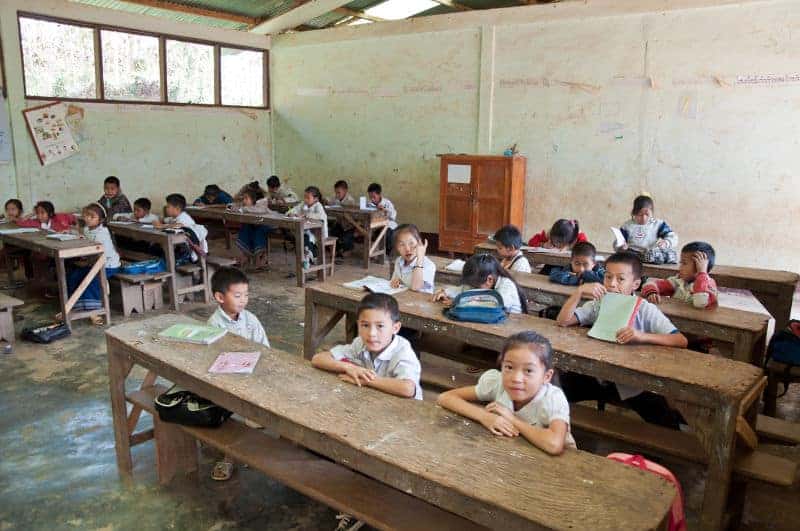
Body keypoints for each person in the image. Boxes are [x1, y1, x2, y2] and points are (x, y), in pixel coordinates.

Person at [311, 292, 421, 531]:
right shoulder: (360, 344)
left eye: (380, 326)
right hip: (371, 413)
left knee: (380, 465)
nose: (372, 333)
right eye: (365, 325)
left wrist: (366, 379)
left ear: (396, 327)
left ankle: (366, 506)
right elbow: (318, 359)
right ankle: (355, 501)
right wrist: (348, 368)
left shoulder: (403, 351)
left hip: (404, 422)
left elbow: (407, 388)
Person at [555, 252, 688, 429]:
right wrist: (578, 292)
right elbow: (563, 321)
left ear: (635, 284)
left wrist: (642, 336)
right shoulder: (600, 302)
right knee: (554, 391)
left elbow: (680, 340)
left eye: (620, 279)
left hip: (630, 382)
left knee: (664, 423)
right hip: (595, 375)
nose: (611, 284)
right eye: (608, 277)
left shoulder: (644, 308)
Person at [438, 331, 575, 454]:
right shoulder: (498, 383)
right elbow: (446, 397)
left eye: (528, 371)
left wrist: (512, 419)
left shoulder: (552, 398)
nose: (516, 378)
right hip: (512, 453)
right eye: (509, 367)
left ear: (546, 376)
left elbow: (554, 444)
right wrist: (485, 417)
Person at [206, 267, 270, 481]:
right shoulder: (214, 324)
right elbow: (212, 359)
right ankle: (228, 458)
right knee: (231, 421)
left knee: (258, 415)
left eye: (246, 295)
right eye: (238, 295)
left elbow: (265, 350)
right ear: (219, 297)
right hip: (226, 382)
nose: (243, 300)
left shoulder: (250, 319)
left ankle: (250, 448)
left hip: (252, 377)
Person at [63, 203, 120, 325]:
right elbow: (83, 238)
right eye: (86, 216)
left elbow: (103, 253)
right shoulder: (87, 229)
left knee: (91, 281)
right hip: (93, 262)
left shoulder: (102, 233)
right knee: (73, 276)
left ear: (101, 220)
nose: (87, 218)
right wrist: (73, 234)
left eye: (92, 216)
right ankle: (73, 305)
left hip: (108, 265)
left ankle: (94, 311)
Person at [433, 253, 527, 314]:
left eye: (474, 286)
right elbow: (464, 289)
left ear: (489, 280)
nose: (472, 288)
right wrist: (446, 292)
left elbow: (496, 305)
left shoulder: (506, 285)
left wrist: (461, 302)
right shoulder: (482, 281)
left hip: (510, 327)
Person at [642, 241, 718, 309]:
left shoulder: (709, 285)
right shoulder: (678, 281)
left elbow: (700, 302)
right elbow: (649, 284)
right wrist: (651, 292)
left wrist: (702, 273)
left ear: (699, 266)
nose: (680, 267)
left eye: (684, 263)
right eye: (680, 263)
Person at [614, 194, 678, 264]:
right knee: (622, 256)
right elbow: (618, 242)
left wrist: (666, 242)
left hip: (652, 253)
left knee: (671, 253)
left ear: (652, 213)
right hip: (633, 254)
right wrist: (621, 247)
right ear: (634, 213)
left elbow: (672, 236)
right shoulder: (627, 226)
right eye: (640, 215)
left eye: (647, 214)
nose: (644, 218)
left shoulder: (658, 224)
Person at [156, 194, 208, 263]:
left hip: (191, 252)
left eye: (168, 207)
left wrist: (162, 226)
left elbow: (179, 225)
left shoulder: (184, 218)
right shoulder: (174, 217)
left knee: (159, 250)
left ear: (177, 208)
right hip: (181, 246)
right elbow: (164, 220)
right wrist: (156, 221)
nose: (166, 209)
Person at [390, 224, 435, 294]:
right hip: (405, 299)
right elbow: (394, 280)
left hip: (422, 302)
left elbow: (416, 287)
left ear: (419, 243)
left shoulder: (428, 265)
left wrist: (420, 258)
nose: (407, 249)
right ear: (397, 248)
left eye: (411, 243)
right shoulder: (399, 261)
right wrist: (395, 282)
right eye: (402, 244)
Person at [287, 186, 328, 261]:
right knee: (298, 235)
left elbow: (320, 216)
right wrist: (291, 213)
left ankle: (311, 255)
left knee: (304, 237)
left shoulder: (318, 206)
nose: (305, 199)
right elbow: (293, 210)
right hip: (307, 230)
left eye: (308, 198)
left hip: (318, 233)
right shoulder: (303, 204)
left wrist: (306, 215)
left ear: (315, 199)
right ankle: (306, 255)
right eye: (305, 197)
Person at [326, 180, 356, 256]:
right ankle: (337, 250)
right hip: (339, 224)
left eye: (339, 192)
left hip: (348, 226)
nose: (337, 194)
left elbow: (350, 216)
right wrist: (327, 201)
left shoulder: (350, 201)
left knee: (346, 239)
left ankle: (348, 249)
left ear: (345, 191)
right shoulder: (336, 198)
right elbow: (330, 202)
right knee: (331, 233)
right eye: (336, 192)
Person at [367, 183, 398, 251]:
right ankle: (372, 251)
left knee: (387, 234)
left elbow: (393, 216)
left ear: (379, 194)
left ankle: (387, 253)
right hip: (376, 225)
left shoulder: (387, 203)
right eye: (370, 197)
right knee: (368, 232)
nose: (372, 199)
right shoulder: (369, 204)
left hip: (388, 225)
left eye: (374, 197)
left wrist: (384, 210)